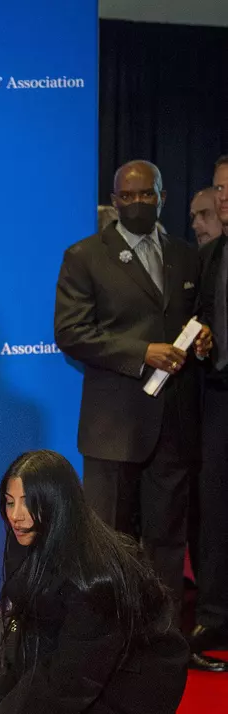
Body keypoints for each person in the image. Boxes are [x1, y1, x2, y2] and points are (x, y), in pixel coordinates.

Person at [54, 159, 226, 672]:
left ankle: (165, 650)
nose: (135, 203)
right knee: (106, 543)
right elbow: (71, 332)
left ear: (161, 197)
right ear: (114, 200)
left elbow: (195, 320)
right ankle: (104, 650)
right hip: (112, 429)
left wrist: (202, 341)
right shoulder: (84, 256)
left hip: (174, 425)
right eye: (125, 196)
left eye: (145, 195)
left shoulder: (187, 256)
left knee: (168, 543)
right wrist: (141, 353)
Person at [0, 450, 189, 714]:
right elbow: (35, 628)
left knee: (23, 689)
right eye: (9, 502)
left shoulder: (95, 576)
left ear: (58, 503)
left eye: (29, 503)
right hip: (77, 663)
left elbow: (66, 679)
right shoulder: (35, 538)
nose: (16, 516)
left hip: (125, 698)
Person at [190, 156, 228, 655]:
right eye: (219, 188)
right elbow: (201, 317)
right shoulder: (211, 255)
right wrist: (203, 341)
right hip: (218, 395)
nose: (224, 197)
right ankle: (215, 615)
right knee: (215, 509)